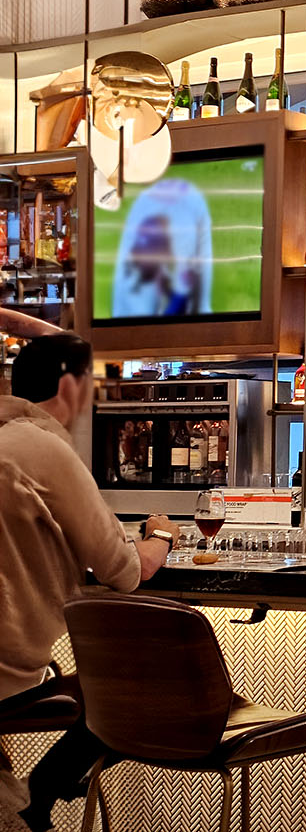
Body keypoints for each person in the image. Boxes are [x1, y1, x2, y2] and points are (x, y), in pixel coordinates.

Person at [0, 334, 177, 832]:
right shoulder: (44, 448)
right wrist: (162, 535)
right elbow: (126, 572)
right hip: (8, 678)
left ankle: (40, 790)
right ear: (72, 388)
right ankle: (47, 785)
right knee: (149, 681)